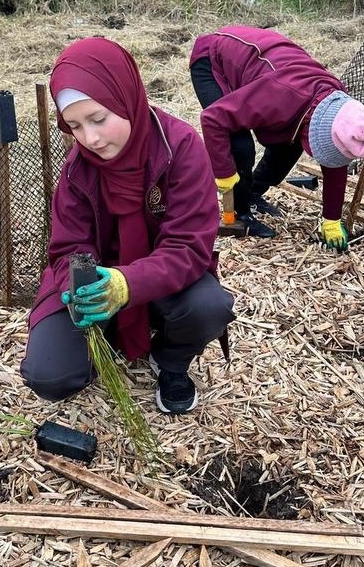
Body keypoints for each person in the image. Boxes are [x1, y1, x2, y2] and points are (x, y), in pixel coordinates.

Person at [20, 37, 235, 414]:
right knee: (48, 375)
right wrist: (81, 286)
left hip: (160, 279)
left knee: (208, 307)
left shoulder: (180, 147)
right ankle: (106, 336)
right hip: (99, 279)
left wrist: (126, 284)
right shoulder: (76, 169)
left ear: (126, 96)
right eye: (74, 125)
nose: (91, 138)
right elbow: (68, 246)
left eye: (99, 119)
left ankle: (170, 361)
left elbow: (187, 248)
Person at [189, 25, 364, 244]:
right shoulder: (279, 95)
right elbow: (213, 119)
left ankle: (254, 192)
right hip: (214, 59)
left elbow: (335, 160)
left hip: (264, 70)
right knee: (239, 145)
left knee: (290, 142)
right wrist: (225, 173)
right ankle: (239, 213)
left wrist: (331, 220)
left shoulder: (340, 110)